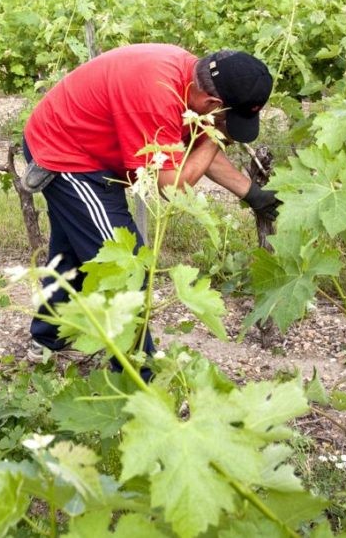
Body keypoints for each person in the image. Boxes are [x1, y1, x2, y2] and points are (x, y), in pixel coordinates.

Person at [21, 44, 279, 362]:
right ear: (212, 102)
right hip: (66, 154)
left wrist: (253, 194)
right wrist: (216, 137)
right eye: (228, 120)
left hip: (91, 149)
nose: (226, 129)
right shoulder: (155, 96)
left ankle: (47, 341)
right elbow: (171, 185)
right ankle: (136, 374)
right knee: (127, 265)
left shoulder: (189, 80)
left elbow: (200, 148)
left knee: (77, 251)